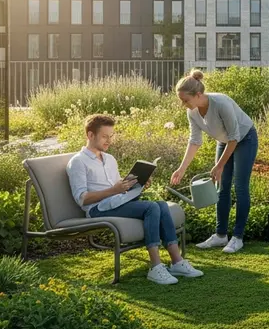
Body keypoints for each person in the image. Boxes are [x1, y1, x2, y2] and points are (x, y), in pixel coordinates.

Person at [66, 114, 203, 286]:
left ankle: (177, 261)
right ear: (90, 135)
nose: (109, 141)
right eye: (104, 137)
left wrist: (135, 184)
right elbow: (82, 199)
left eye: (111, 136)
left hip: (116, 201)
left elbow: (118, 187)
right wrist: (114, 190)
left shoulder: (109, 159)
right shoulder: (78, 162)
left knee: (160, 204)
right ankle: (155, 266)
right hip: (97, 209)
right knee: (151, 207)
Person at [170, 70, 258, 254]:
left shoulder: (221, 103)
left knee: (240, 186)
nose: (183, 104)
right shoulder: (192, 112)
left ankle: (238, 237)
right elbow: (195, 140)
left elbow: (235, 136)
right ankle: (220, 235)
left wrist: (220, 165)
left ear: (198, 95)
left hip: (245, 139)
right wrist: (181, 169)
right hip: (225, 141)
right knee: (222, 188)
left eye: (185, 100)